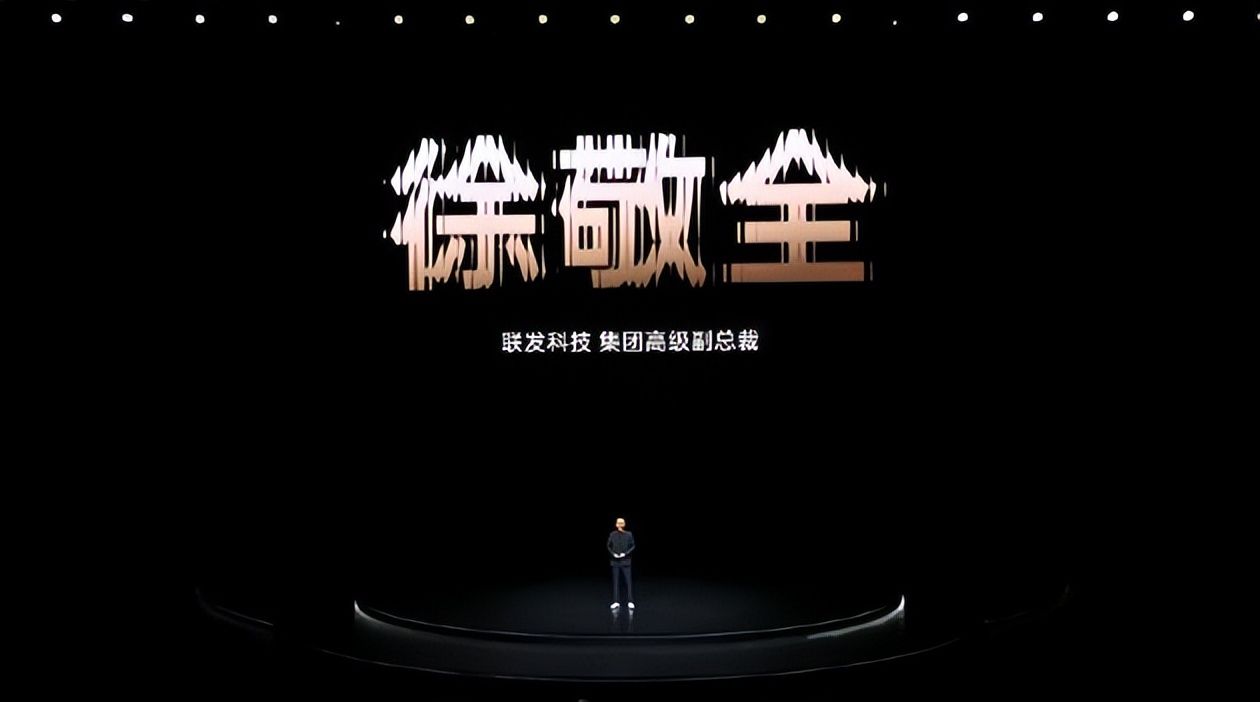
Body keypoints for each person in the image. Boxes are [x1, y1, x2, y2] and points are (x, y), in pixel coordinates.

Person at [607, 517, 635, 610]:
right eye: (618, 523)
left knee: (628, 582)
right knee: (616, 582)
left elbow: (633, 546)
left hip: (625, 561)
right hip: (615, 561)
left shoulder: (629, 534)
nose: (620, 525)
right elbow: (608, 545)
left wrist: (625, 554)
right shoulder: (612, 534)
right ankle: (616, 601)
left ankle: (630, 601)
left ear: (624, 524)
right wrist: (613, 554)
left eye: (621, 523)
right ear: (616, 524)